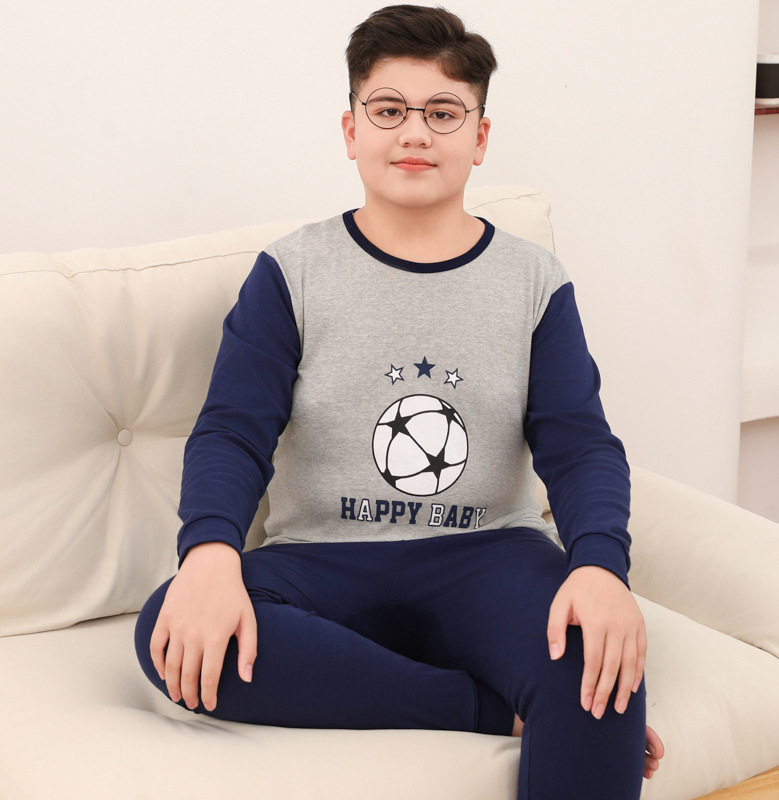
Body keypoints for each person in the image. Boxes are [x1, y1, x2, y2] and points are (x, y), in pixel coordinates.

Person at [134, 5, 664, 796]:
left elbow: (580, 444)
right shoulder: (290, 271)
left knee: (598, 657)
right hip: (322, 562)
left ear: (480, 137)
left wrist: (600, 567)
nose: (415, 133)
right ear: (352, 130)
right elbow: (232, 432)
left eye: (443, 112)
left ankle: (518, 686)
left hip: (490, 555)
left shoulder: (533, 281)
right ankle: (486, 707)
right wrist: (208, 554)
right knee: (169, 627)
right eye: (389, 110)